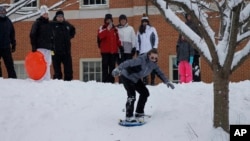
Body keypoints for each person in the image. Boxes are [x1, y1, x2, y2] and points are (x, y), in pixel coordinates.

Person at [112, 48, 175, 122]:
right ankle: (129, 116)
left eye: (155, 58)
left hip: (135, 79)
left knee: (145, 93)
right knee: (132, 95)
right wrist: (118, 68)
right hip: (127, 77)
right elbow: (128, 63)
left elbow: (159, 72)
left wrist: (167, 81)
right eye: (152, 57)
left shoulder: (153, 65)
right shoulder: (141, 60)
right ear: (148, 56)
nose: (153, 59)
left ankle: (139, 112)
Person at [30, 5, 53, 81]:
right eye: (44, 14)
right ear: (41, 14)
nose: (46, 15)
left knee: (48, 63)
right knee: (40, 63)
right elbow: (32, 34)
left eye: (47, 14)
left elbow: (52, 36)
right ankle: (40, 78)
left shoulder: (49, 24)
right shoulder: (37, 23)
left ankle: (47, 78)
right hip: (40, 47)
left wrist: (52, 46)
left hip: (48, 47)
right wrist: (34, 45)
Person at [51, 10, 75, 81]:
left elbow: (73, 30)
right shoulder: (52, 25)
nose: (60, 18)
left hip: (66, 52)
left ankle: (68, 83)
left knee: (68, 70)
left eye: (62, 16)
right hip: (55, 52)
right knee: (57, 71)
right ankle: (58, 84)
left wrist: (69, 37)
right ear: (56, 17)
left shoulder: (67, 24)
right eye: (59, 16)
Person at [97, 13, 122, 83]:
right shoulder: (102, 28)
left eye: (110, 20)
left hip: (113, 52)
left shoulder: (115, 29)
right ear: (105, 20)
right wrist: (107, 29)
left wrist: (120, 46)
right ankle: (105, 81)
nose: (109, 21)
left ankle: (111, 81)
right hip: (105, 52)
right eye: (107, 20)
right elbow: (100, 36)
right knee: (105, 67)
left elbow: (118, 39)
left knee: (112, 67)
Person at [136, 14, 159, 85]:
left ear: (148, 22)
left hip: (150, 51)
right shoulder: (139, 30)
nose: (144, 23)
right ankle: (145, 81)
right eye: (143, 21)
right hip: (142, 51)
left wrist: (155, 47)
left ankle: (152, 80)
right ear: (142, 22)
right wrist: (137, 50)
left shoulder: (152, 29)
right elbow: (137, 41)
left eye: (146, 21)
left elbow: (156, 38)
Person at [117, 14, 136, 83]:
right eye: (121, 20)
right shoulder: (117, 29)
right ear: (120, 21)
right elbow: (116, 39)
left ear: (126, 20)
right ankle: (121, 80)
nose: (123, 21)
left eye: (124, 20)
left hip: (128, 50)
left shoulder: (130, 28)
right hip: (120, 50)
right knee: (121, 65)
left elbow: (133, 38)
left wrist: (134, 48)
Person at [0, 6, 17, 78]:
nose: (3, 13)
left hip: (6, 47)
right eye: (1, 12)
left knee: (9, 64)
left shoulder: (8, 21)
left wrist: (13, 44)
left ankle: (13, 79)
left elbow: (12, 33)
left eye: (4, 12)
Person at [185, 13, 201, 82]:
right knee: (189, 64)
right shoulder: (185, 25)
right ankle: (189, 79)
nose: (189, 17)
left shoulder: (196, 24)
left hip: (195, 48)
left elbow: (199, 35)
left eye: (190, 15)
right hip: (188, 49)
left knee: (196, 64)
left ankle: (196, 79)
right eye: (188, 16)